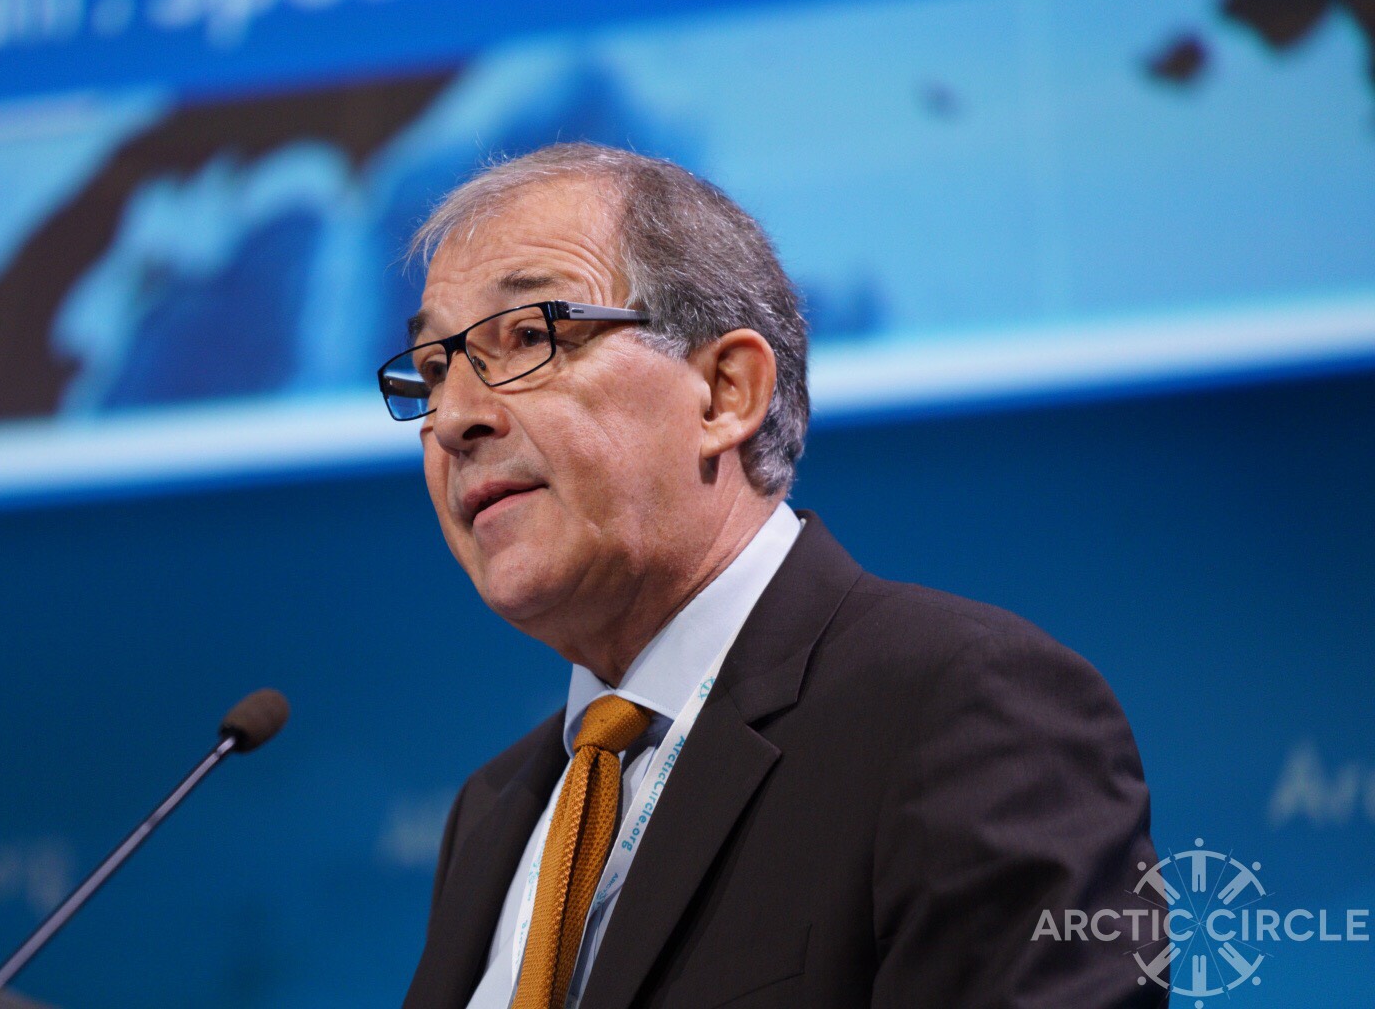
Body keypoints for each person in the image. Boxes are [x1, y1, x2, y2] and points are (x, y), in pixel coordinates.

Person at [384, 143, 1162, 1009]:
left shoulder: (963, 711)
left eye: (529, 336)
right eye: (433, 371)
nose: (452, 419)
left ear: (725, 392)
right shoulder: (492, 810)